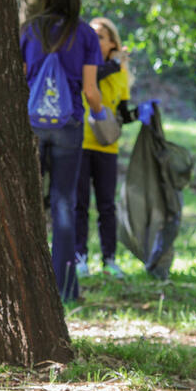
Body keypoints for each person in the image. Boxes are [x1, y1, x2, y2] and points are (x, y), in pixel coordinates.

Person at [20, 0, 104, 301]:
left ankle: (27, 280)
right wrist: (102, 116)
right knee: (64, 203)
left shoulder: (31, 30)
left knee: (27, 201)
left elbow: (21, 77)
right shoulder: (84, 34)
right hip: (69, 124)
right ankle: (65, 287)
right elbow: (90, 90)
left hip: (33, 124)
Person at [74, 17, 153, 278]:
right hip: (81, 142)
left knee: (107, 205)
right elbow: (94, 76)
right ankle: (79, 258)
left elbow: (120, 114)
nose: (94, 40)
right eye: (92, 35)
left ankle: (109, 260)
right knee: (80, 204)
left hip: (107, 147)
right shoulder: (86, 64)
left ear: (111, 42)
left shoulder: (119, 74)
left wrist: (141, 113)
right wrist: (115, 62)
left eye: (100, 36)